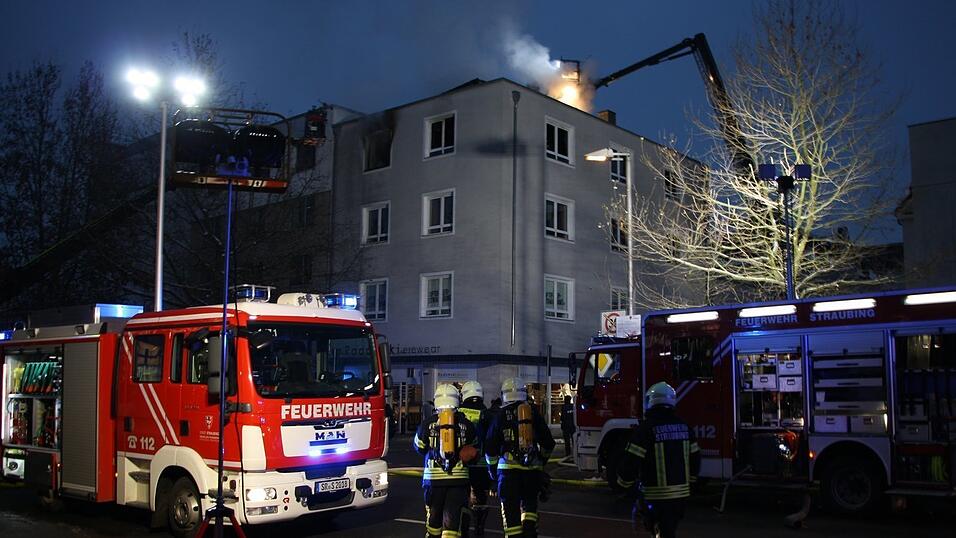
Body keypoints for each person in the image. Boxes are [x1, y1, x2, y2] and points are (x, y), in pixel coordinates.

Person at [616, 382, 700, 538]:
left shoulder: (646, 429)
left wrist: (623, 485)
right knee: (668, 531)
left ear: (650, 401)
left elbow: (631, 461)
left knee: (659, 531)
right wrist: (692, 483)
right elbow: (695, 459)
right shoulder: (685, 427)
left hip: (655, 497)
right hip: (680, 498)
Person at [485, 377, 555, 538]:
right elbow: (548, 443)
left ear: (504, 395)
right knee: (529, 511)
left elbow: (490, 448)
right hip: (532, 472)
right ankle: (529, 529)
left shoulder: (500, 416)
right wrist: (540, 461)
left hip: (508, 474)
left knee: (511, 522)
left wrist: (493, 475)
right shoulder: (534, 413)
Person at [414, 383, 479, 538]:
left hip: (433, 482)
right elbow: (475, 449)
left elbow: (419, 447)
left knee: (434, 524)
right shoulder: (467, 425)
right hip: (458, 481)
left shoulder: (427, 424)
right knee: (452, 526)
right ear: (457, 400)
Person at [459, 381, 491, 535]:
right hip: (483, 465)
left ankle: (464, 530)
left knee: (463, 499)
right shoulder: (487, 413)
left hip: (462, 465)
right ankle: (479, 529)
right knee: (481, 499)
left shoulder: (458, 413)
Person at [559, 395, 575, 460]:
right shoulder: (573, 406)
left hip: (566, 426)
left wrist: (562, 425)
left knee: (567, 441)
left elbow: (562, 417)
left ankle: (568, 454)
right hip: (572, 426)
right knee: (574, 440)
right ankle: (575, 453)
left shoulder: (564, 407)